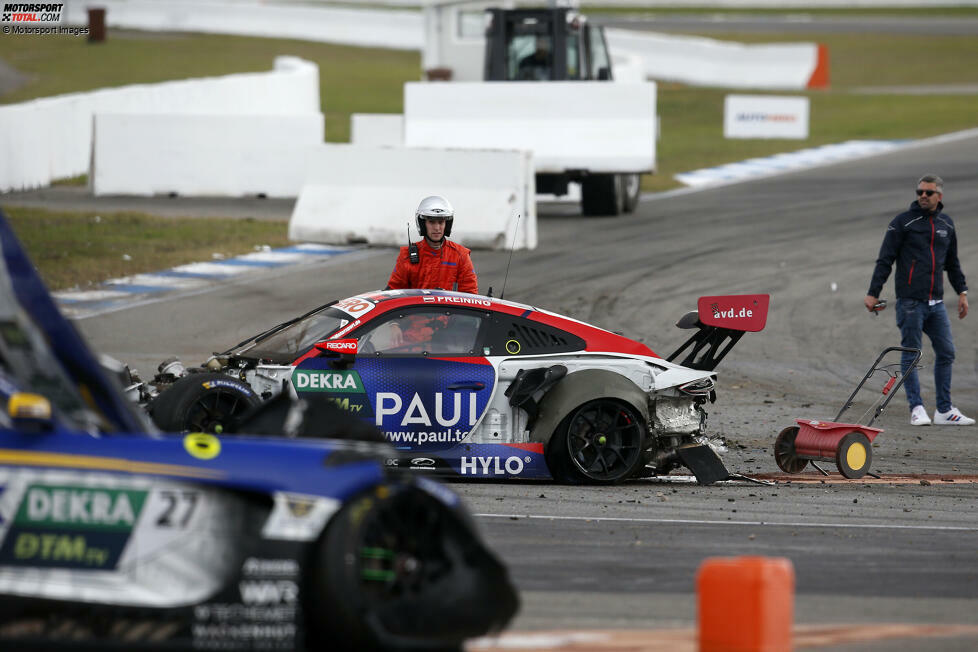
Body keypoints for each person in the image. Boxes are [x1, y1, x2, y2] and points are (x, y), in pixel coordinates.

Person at [865, 174, 972, 426]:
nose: (923, 196)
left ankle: (944, 410)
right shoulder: (903, 222)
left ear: (939, 196)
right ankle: (917, 408)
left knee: (947, 352)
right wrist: (873, 292)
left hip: (936, 304)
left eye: (928, 192)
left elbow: (952, 263)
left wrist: (963, 292)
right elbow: (885, 259)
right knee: (912, 353)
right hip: (910, 303)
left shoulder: (947, 224)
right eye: (920, 192)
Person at [387, 195, 478, 294]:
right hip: (419, 309)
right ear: (422, 224)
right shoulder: (407, 256)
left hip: (449, 309)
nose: (437, 228)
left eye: (441, 222)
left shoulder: (461, 255)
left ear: (446, 225)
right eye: (432, 222)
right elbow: (392, 293)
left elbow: (470, 296)